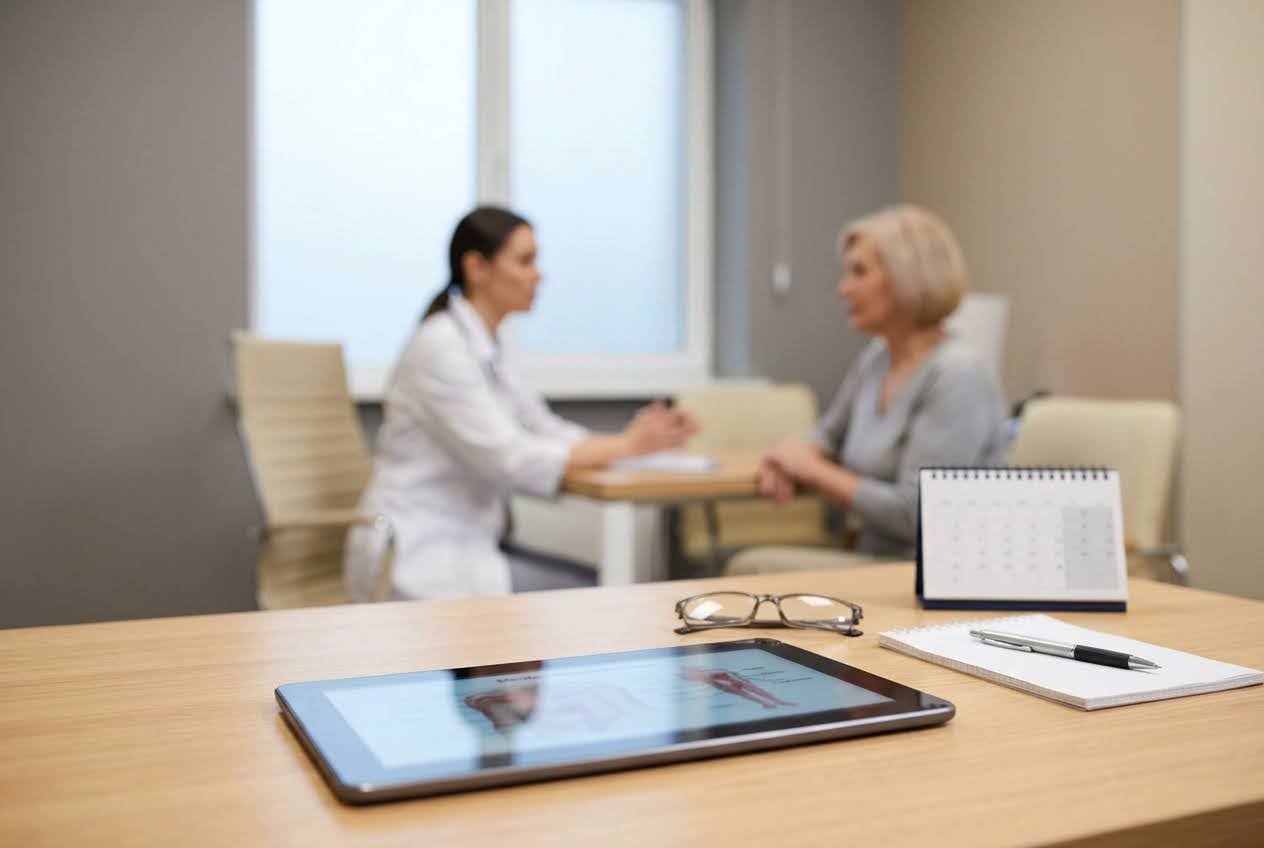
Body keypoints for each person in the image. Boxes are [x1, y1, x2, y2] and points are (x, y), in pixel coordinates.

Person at [345, 206, 696, 600]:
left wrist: (630, 443)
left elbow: (543, 427)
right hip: (418, 549)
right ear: (477, 268)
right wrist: (627, 446)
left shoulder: (490, 345)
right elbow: (509, 457)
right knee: (593, 597)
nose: (539, 274)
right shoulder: (440, 346)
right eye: (525, 261)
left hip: (468, 542)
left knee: (593, 587)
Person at [727, 204, 1008, 574]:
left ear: (909, 277)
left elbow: (914, 514)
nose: (843, 289)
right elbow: (828, 434)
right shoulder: (877, 359)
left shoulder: (958, 375)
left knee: (751, 570)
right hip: (870, 557)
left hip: (924, 573)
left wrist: (811, 470)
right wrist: (790, 455)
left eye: (859, 272)